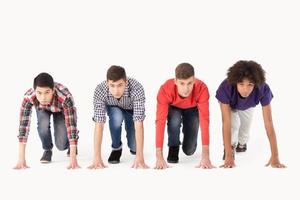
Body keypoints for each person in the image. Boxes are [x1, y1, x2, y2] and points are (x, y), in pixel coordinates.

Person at [216, 60, 286, 168]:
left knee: (245, 131)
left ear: (255, 84)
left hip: (248, 105)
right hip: (230, 104)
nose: (245, 89)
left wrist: (275, 156)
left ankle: (242, 144)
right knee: (233, 125)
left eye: (250, 84)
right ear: (235, 83)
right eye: (241, 84)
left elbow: (268, 122)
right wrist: (228, 156)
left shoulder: (263, 89)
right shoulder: (226, 88)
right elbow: (226, 122)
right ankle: (230, 147)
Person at [14, 72, 80, 169]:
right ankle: (47, 150)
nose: (43, 97)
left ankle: (71, 145)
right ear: (35, 91)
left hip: (60, 110)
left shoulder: (65, 96)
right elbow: (23, 127)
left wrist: (73, 158)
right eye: (39, 93)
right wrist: (21, 159)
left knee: (61, 145)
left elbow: (71, 125)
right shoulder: (29, 97)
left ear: (53, 90)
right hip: (42, 109)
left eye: (47, 92)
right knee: (42, 125)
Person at [155, 63, 214, 169]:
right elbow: (160, 122)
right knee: (174, 119)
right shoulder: (165, 89)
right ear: (175, 81)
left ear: (194, 80)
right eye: (182, 83)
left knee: (189, 151)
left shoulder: (202, 88)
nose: (186, 88)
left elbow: (205, 120)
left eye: (189, 83)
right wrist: (159, 156)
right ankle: (173, 146)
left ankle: (188, 136)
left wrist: (206, 155)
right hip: (174, 108)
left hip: (192, 109)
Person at [88, 65, 149, 169]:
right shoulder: (100, 90)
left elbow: (139, 123)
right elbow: (99, 124)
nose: (116, 91)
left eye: (120, 85)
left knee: (134, 147)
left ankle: (134, 147)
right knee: (116, 117)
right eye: (112, 85)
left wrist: (140, 155)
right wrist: (96, 157)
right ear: (107, 83)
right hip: (114, 108)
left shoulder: (137, 88)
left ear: (126, 82)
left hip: (131, 111)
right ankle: (116, 148)